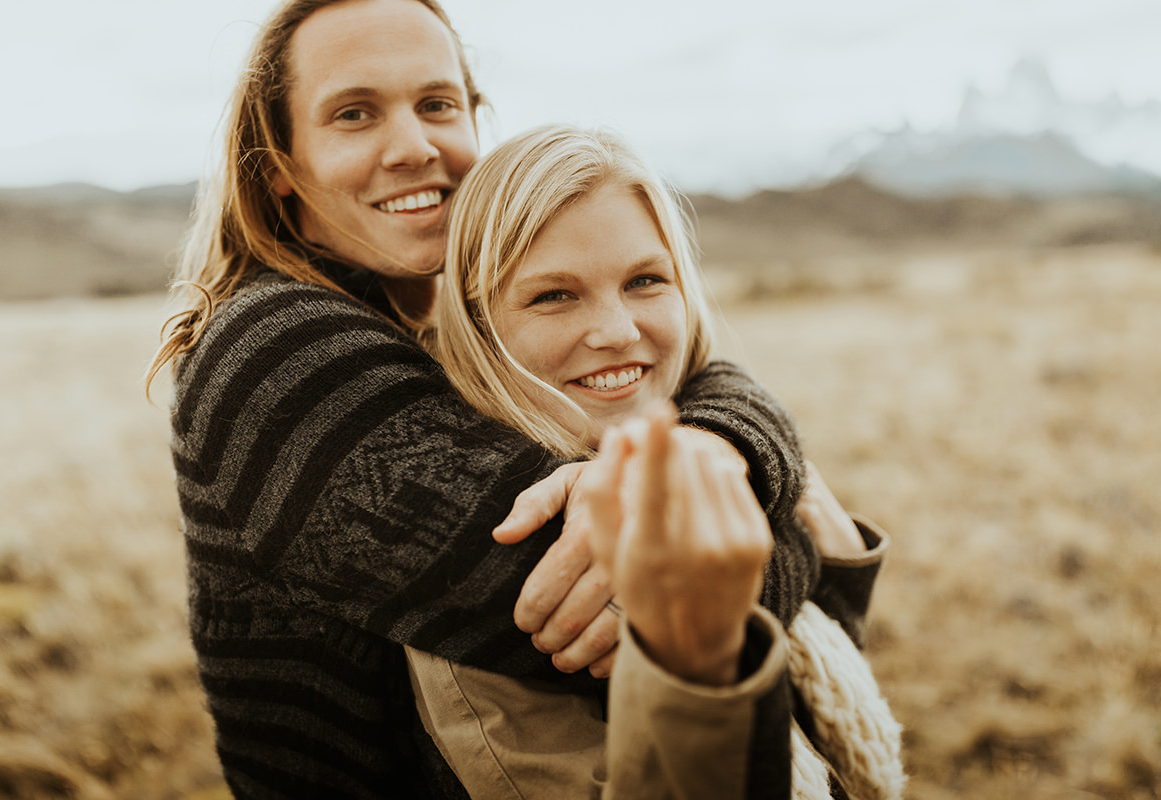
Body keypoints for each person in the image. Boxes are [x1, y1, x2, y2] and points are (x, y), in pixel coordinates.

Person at [147, 1, 821, 796]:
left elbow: (709, 374)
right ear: (281, 168)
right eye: (354, 114)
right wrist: (801, 525)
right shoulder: (273, 350)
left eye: (438, 104)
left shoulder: (420, 324)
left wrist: (722, 446)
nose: (414, 146)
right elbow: (645, 613)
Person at [415, 123, 905, 798]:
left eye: (646, 280)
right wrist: (816, 552)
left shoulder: (721, 449)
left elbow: (814, 730)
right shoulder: (504, 545)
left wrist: (828, 569)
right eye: (553, 295)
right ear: (477, 320)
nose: (618, 332)